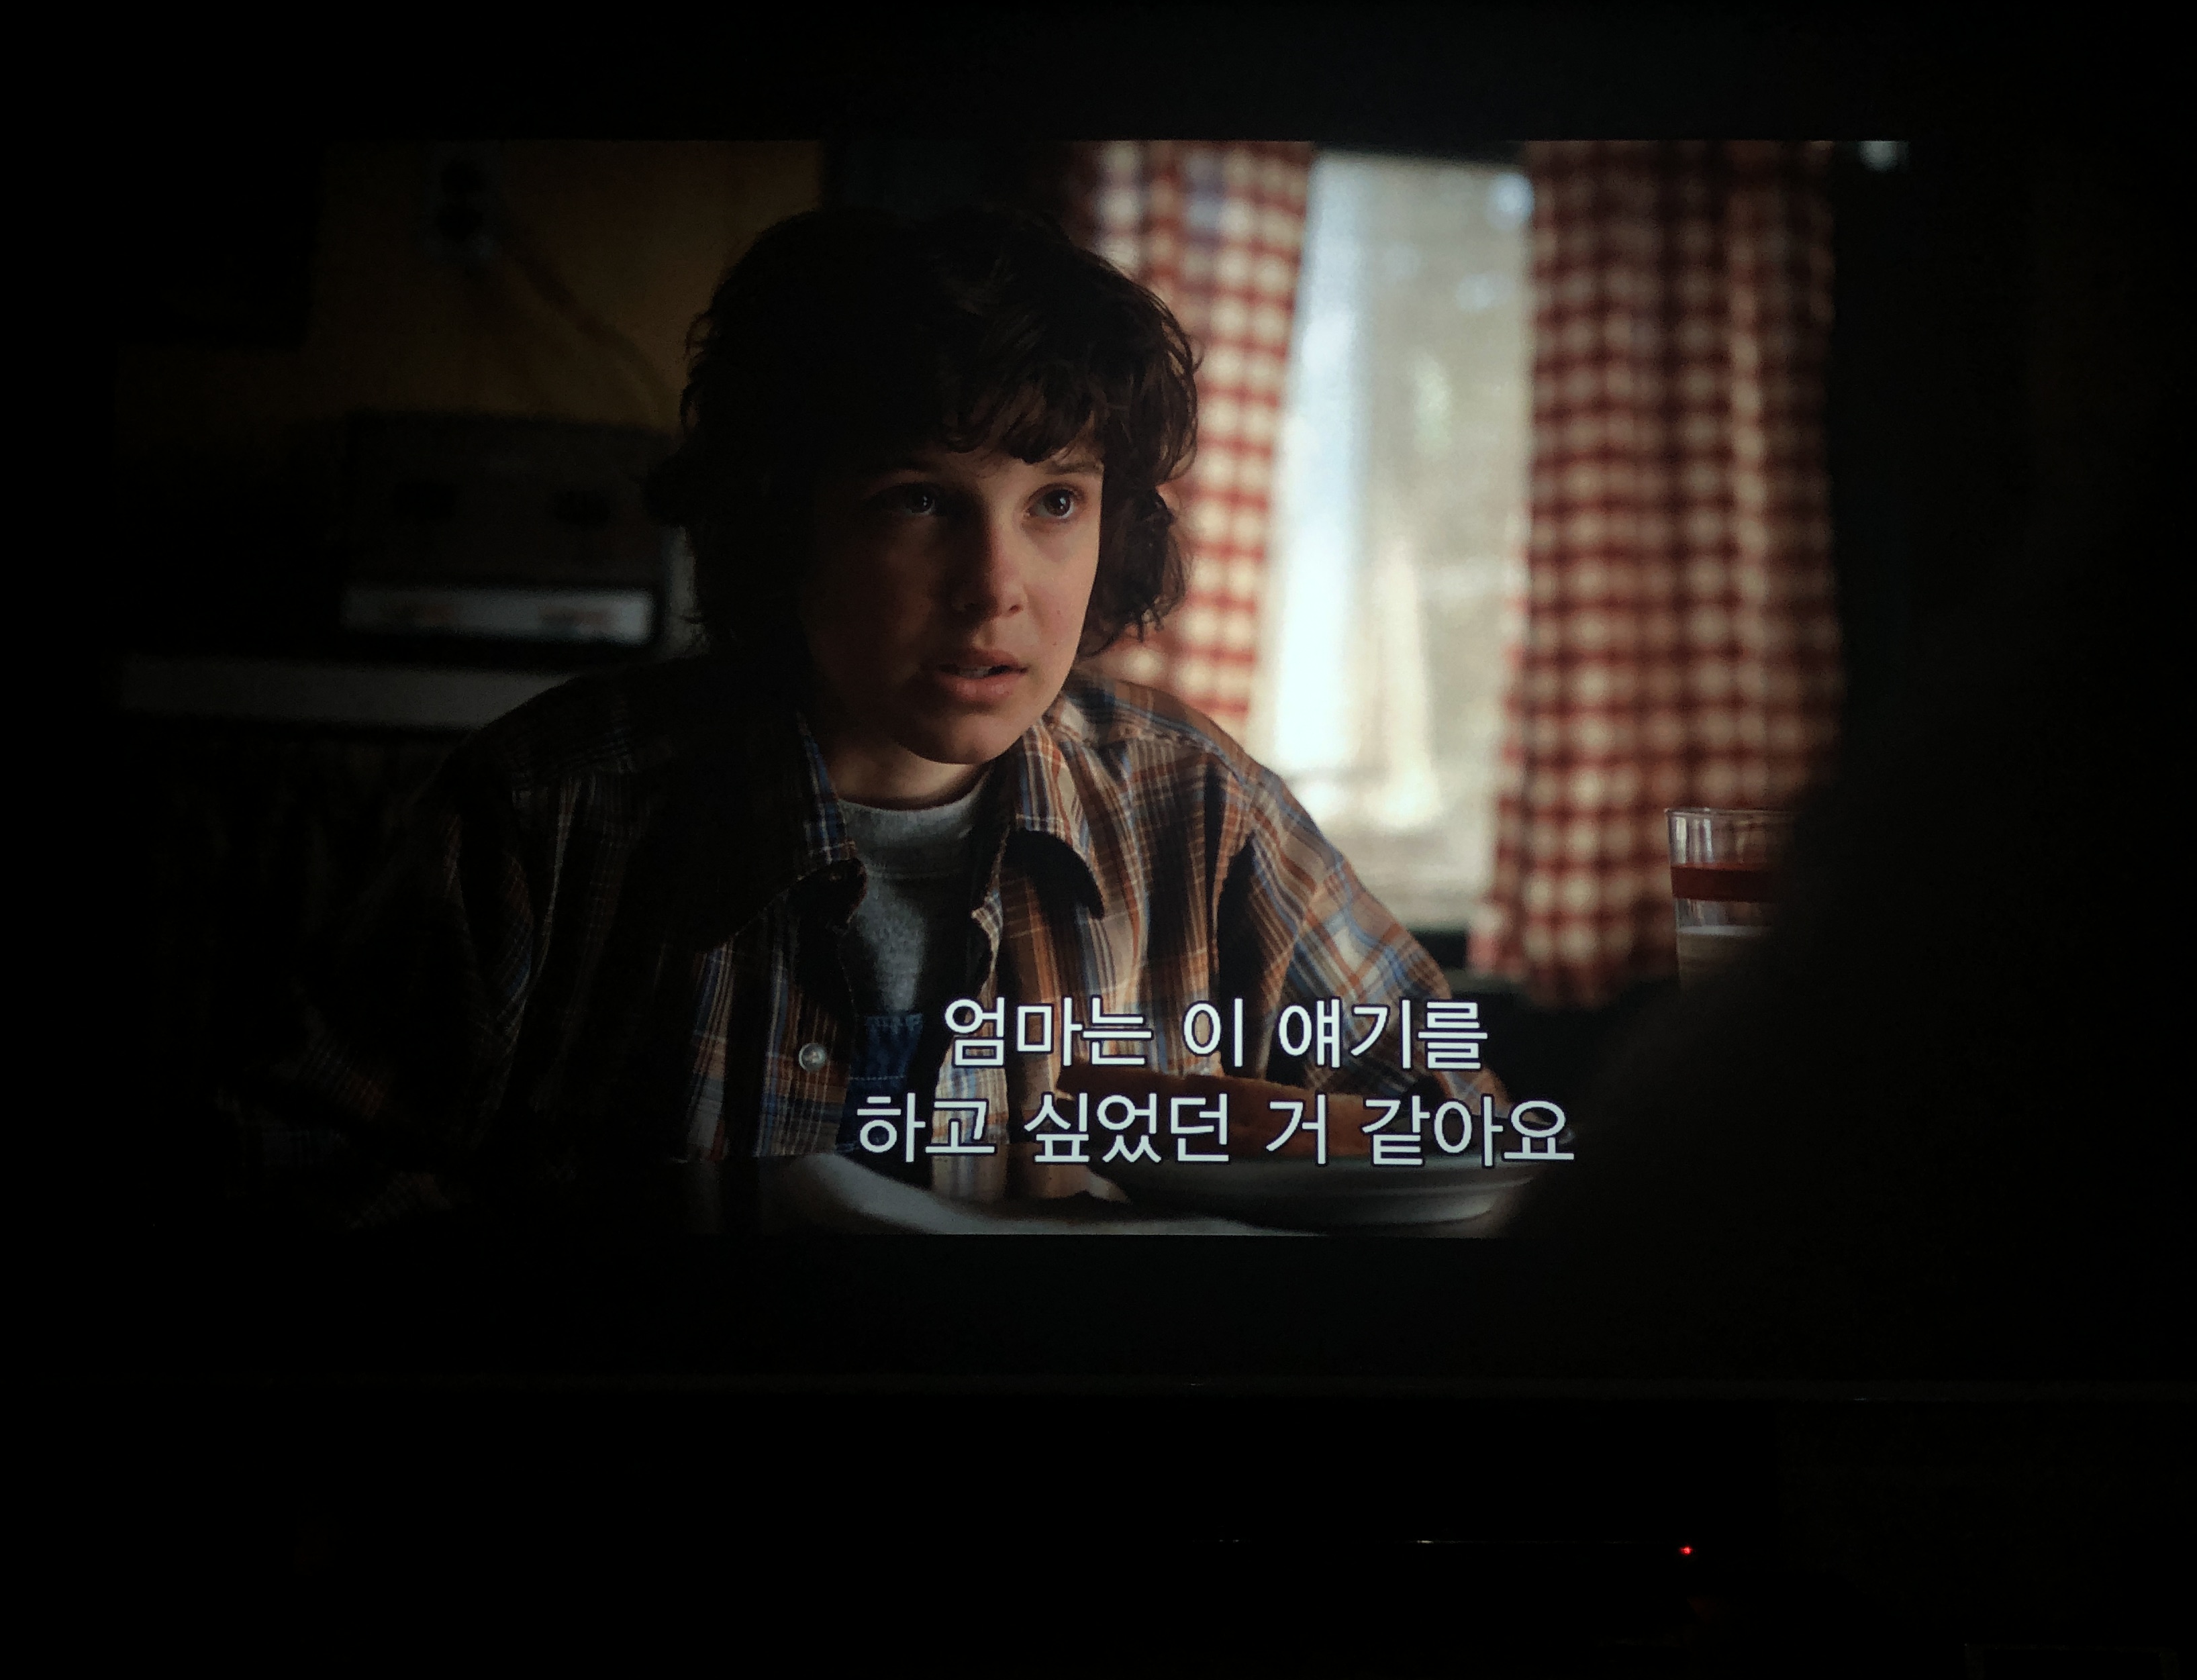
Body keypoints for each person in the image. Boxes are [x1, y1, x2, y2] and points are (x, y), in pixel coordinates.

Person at [227, 206, 1479, 1228]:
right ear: (784, 521)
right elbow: (292, 1178)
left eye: (1055, 503)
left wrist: (1236, 1136)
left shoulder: (1197, 806)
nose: (996, 588)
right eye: (920, 501)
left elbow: (1462, 1123)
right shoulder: (550, 812)